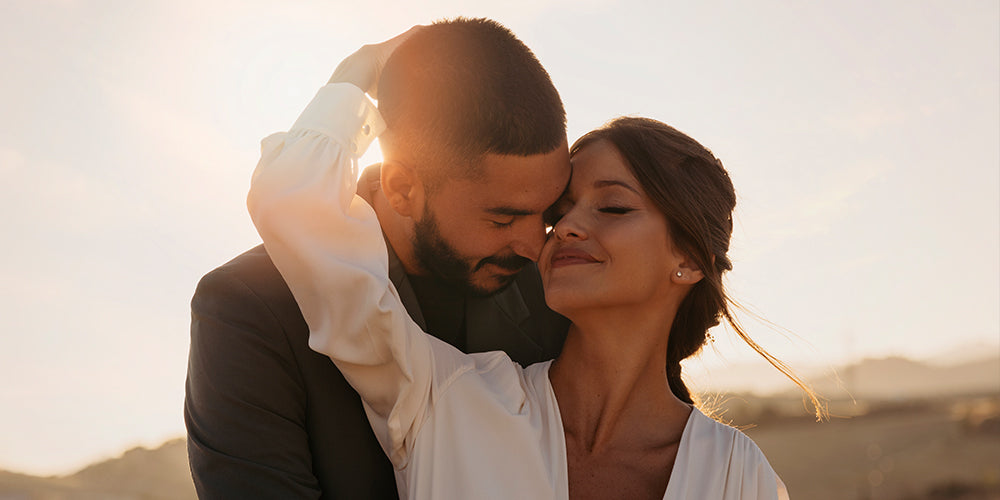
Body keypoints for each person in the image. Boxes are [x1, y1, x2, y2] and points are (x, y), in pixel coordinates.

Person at [249, 33, 822, 499]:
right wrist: (364, 68)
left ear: (690, 259)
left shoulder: (735, 476)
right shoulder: (442, 398)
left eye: (613, 206)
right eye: (560, 209)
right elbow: (292, 203)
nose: (564, 228)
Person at [184, 19, 571, 498]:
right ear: (402, 188)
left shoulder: (560, 299)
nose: (535, 246)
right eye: (502, 220)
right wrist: (353, 77)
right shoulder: (248, 307)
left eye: (549, 213)